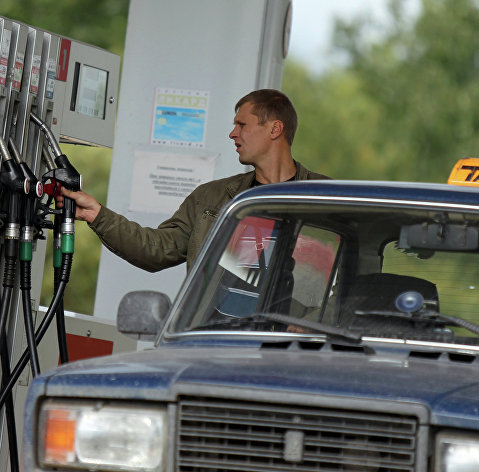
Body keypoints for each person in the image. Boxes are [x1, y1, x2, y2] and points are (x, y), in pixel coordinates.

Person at [59, 89, 330, 272]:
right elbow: (156, 249)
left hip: (295, 348)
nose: (232, 134)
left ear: (275, 129)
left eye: (242, 125)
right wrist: (97, 215)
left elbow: (350, 277)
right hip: (215, 341)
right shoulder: (211, 197)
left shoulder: (330, 198)